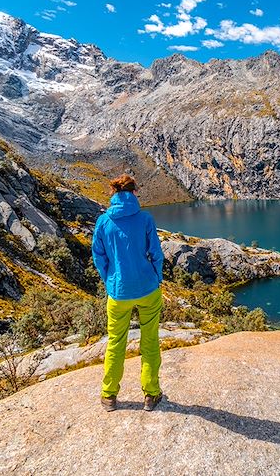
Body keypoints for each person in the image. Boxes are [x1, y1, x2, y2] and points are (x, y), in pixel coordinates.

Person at [91, 174, 165, 412]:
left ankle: (109, 395)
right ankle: (151, 394)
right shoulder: (145, 218)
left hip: (118, 292)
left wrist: (110, 281)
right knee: (150, 341)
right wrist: (156, 277)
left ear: (114, 194)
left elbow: (98, 257)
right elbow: (156, 253)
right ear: (134, 192)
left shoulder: (103, 222)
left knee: (115, 342)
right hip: (147, 289)